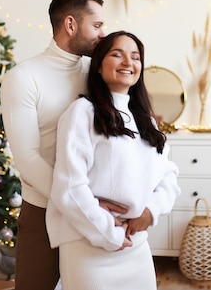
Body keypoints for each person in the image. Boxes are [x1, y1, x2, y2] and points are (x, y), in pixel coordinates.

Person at [1, 0, 116, 290]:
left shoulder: (97, 73)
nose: (103, 34)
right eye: (97, 25)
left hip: (96, 208)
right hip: (44, 210)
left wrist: (92, 206)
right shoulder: (24, 78)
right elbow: (27, 158)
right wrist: (78, 200)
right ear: (70, 24)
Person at [46, 31, 181, 290]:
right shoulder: (83, 113)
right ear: (98, 64)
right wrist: (109, 232)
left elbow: (168, 177)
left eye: (135, 57)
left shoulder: (147, 121)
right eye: (116, 54)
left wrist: (150, 211)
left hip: (136, 245)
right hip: (88, 245)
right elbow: (69, 187)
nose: (127, 63)